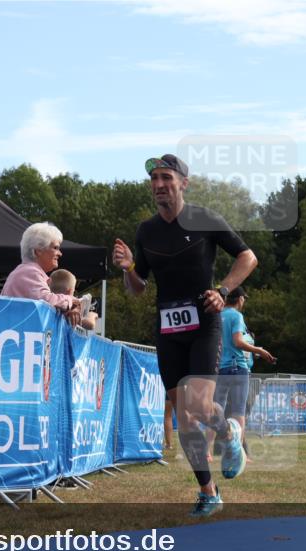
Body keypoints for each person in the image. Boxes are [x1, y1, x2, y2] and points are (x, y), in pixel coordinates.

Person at [112, 153, 258, 517]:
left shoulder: (204, 218)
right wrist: (129, 267)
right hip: (168, 328)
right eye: (154, 179)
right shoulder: (147, 231)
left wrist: (222, 291)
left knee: (198, 406)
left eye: (166, 177)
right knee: (185, 416)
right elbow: (138, 288)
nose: (159, 184)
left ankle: (228, 432)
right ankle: (209, 492)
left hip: (204, 324)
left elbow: (248, 257)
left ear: (183, 183)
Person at [213, 287, 275, 460]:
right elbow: (238, 342)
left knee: (216, 410)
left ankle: (207, 452)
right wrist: (259, 351)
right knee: (239, 412)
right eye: (244, 298)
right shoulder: (236, 316)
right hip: (237, 368)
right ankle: (239, 452)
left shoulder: (216, 315)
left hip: (220, 369)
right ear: (239, 299)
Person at [2, 222, 81, 328]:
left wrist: (69, 307)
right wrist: (71, 300)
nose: (60, 253)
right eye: (55, 248)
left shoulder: (25, 271)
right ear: (38, 250)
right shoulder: (29, 272)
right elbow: (47, 301)